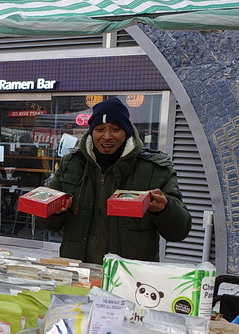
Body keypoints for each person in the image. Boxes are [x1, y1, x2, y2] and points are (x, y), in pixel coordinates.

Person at [36, 97, 191, 264]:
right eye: (100, 129)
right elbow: (45, 222)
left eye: (116, 129)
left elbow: (179, 231)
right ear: (91, 132)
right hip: (78, 273)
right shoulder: (71, 164)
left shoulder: (155, 169)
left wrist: (165, 209)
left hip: (129, 278)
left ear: (126, 132)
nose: (107, 136)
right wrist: (56, 210)